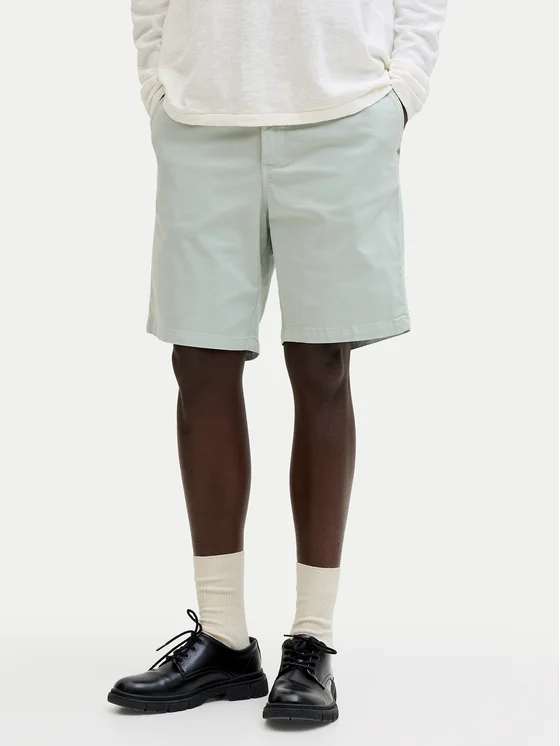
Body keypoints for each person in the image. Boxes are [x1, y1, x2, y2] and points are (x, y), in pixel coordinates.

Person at [107, 0, 447, 723]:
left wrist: (404, 87)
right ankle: (224, 639)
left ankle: (312, 642)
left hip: (344, 108)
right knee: (200, 361)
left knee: (322, 365)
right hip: (201, 111)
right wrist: (157, 81)